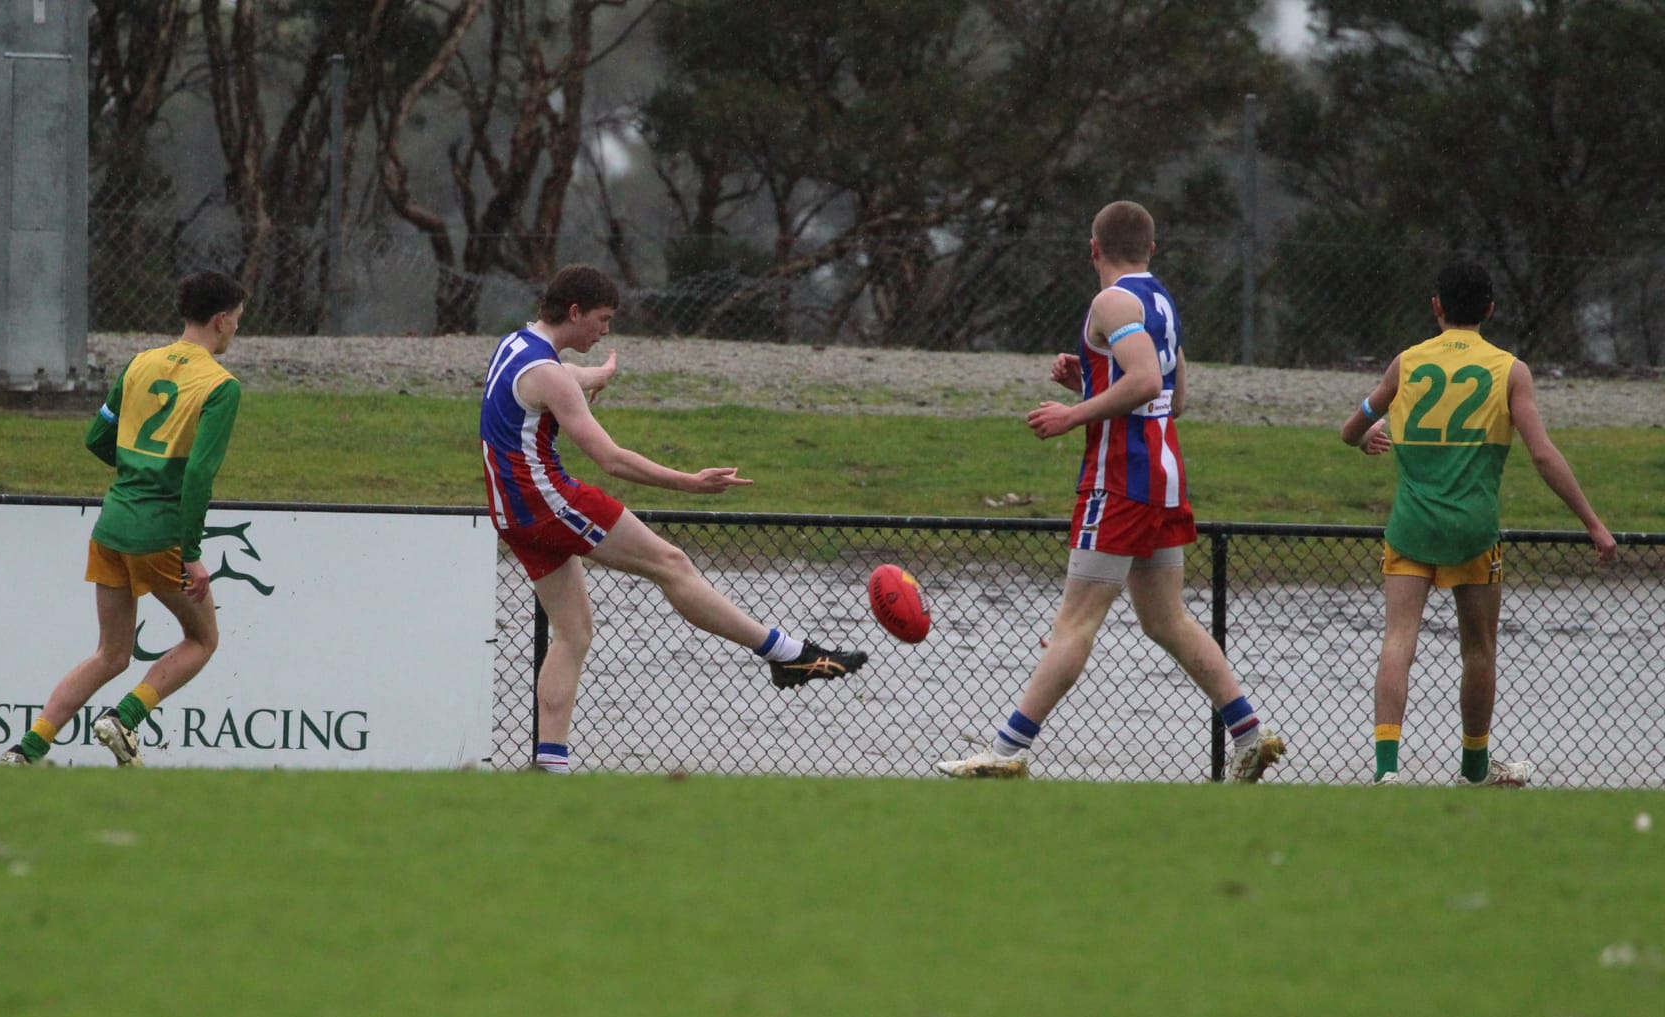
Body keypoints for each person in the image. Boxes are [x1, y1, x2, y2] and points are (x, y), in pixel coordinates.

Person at [940, 201, 1285, 782]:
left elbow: (1145, 381)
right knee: (1166, 620)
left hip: (1122, 477)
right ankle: (1250, 735)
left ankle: (1005, 751)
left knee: (1074, 623)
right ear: (1151, 249)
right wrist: (1092, 382)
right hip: (1163, 474)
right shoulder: (1160, 301)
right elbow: (1172, 398)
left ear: (1093, 248)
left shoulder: (1112, 302)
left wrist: (1073, 414)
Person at [483, 263, 867, 774]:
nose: (606, 330)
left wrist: (596, 375)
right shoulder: (550, 374)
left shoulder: (516, 345)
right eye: (602, 318)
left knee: (573, 633)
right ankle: (786, 653)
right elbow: (611, 459)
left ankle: (548, 766)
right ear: (575, 312)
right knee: (671, 563)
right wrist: (691, 482)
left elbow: (556, 377)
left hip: (511, 513)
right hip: (547, 501)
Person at [1338, 259, 1616, 787]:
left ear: (1436, 307)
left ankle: (1386, 770)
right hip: (1473, 529)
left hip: (1412, 527)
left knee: (1398, 640)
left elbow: (1351, 428)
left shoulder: (1406, 363)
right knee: (1479, 649)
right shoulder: (1509, 371)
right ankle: (1474, 768)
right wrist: (1593, 523)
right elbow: (1542, 455)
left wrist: (1365, 435)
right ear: (1490, 309)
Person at [0, 269, 247, 767]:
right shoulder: (221, 386)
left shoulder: (139, 364)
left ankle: (26, 750)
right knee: (203, 639)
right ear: (221, 320)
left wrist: (137, 469)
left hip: (111, 526)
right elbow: (198, 475)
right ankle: (124, 718)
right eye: (238, 319)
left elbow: (97, 437)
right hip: (159, 533)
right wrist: (192, 555)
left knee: (110, 654)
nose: (238, 328)